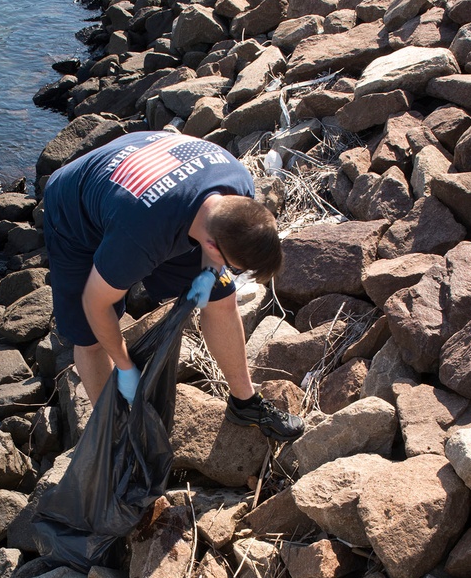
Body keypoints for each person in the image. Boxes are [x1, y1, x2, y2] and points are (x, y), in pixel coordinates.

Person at [41, 130, 304, 443]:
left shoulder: (238, 184)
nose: (231, 271)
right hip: (74, 208)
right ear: (212, 244)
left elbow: (214, 242)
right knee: (90, 337)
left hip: (141, 174)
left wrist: (212, 274)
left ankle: (244, 403)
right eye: (235, 266)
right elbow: (94, 303)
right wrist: (125, 366)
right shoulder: (141, 234)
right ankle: (118, 439)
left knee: (221, 295)